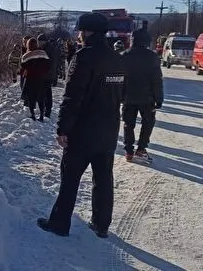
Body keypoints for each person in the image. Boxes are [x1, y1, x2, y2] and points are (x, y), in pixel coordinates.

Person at [37, 13, 125, 239]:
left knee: (70, 177)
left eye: (80, 31)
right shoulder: (116, 58)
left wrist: (63, 128)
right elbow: (120, 94)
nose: (78, 35)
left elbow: (72, 97)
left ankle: (59, 223)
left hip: (84, 130)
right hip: (109, 130)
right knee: (104, 177)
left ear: (88, 32)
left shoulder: (83, 57)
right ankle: (101, 224)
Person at [120, 29, 163, 163]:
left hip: (128, 97)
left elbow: (120, 78)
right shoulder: (152, 56)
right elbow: (157, 80)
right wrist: (159, 99)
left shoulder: (124, 55)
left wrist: (119, 96)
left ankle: (128, 151)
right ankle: (141, 149)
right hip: (147, 98)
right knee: (148, 122)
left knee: (128, 123)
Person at [20, 38, 50, 121]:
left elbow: (23, 68)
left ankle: (32, 115)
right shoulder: (43, 53)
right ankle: (41, 115)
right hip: (41, 79)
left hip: (30, 79)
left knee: (31, 97)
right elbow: (48, 65)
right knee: (41, 97)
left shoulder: (26, 56)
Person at [37, 33, 60, 118]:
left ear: (44, 41)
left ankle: (48, 110)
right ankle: (43, 109)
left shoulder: (50, 49)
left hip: (47, 74)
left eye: (40, 41)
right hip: (41, 74)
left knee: (47, 93)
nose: (39, 43)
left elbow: (53, 63)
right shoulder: (41, 48)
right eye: (38, 41)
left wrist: (49, 72)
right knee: (42, 93)